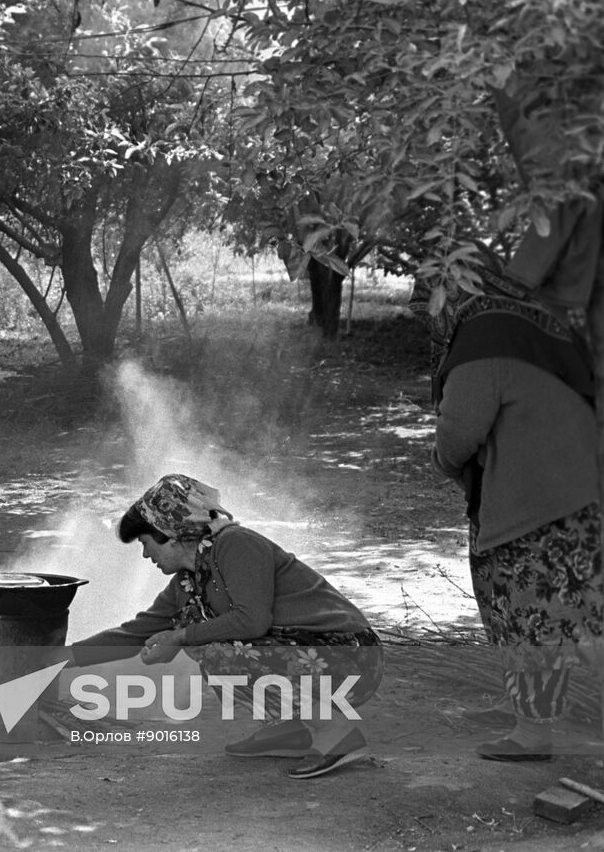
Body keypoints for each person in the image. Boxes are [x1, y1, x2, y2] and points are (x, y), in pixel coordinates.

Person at [65, 474, 383, 779]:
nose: (146, 554)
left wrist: (180, 637)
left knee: (216, 652)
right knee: (210, 644)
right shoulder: (187, 582)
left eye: (145, 542)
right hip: (317, 657)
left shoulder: (236, 544)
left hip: (352, 658)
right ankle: (291, 732)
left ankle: (335, 733)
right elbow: (134, 633)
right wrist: (61, 659)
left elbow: (251, 620)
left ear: (171, 535)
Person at [412, 255, 601, 761]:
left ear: (451, 293)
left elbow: (459, 431)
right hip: (573, 494)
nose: (427, 319)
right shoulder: (534, 323)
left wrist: (445, 461)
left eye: (428, 304)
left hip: (530, 506)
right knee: (544, 612)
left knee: (525, 613)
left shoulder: (485, 337)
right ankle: (522, 707)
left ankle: (533, 732)